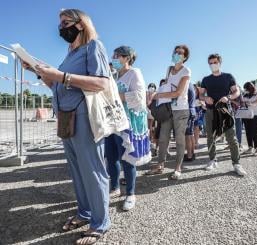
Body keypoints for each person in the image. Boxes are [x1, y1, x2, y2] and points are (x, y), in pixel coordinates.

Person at [22, 9, 112, 244]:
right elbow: (58, 86)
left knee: (92, 170)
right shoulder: (69, 53)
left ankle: (100, 223)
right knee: (77, 170)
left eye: (65, 23)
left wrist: (62, 76)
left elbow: (102, 82)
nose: (61, 28)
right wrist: (37, 71)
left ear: (80, 24)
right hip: (66, 116)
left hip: (84, 116)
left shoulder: (93, 47)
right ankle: (85, 212)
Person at [105, 46, 151, 211]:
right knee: (111, 157)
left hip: (127, 123)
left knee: (127, 159)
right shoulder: (115, 76)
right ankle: (115, 187)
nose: (113, 58)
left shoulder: (134, 73)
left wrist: (115, 96)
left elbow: (139, 97)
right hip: (112, 122)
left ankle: (130, 194)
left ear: (126, 58)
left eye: (117, 55)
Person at [146, 45, 191, 180]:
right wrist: (155, 93)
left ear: (185, 57)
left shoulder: (186, 71)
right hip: (167, 109)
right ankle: (160, 165)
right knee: (163, 138)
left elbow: (178, 92)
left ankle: (177, 168)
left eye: (180, 53)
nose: (177, 54)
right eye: (175, 52)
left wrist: (157, 96)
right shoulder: (169, 69)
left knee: (179, 140)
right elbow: (166, 85)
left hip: (181, 110)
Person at [199, 53, 246, 176]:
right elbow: (200, 95)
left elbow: (237, 91)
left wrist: (228, 97)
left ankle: (236, 163)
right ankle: (212, 160)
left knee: (231, 137)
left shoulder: (228, 77)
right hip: (210, 111)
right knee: (210, 137)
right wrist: (205, 98)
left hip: (226, 110)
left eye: (215, 62)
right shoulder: (206, 79)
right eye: (210, 63)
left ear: (220, 62)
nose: (213, 65)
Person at [242, 82, 257, 155]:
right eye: (245, 89)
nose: (245, 90)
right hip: (246, 115)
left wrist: (251, 103)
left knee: (254, 132)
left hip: (255, 115)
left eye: (246, 89)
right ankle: (250, 147)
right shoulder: (245, 94)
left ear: (251, 87)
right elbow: (242, 102)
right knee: (247, 132)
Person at [184, 82, 196, 161]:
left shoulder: (185, 85)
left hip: (187, 111)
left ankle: (189, 155)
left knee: (187, 135)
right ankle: (192, 153)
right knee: (191, 134)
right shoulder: (190, 84)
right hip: (192, 110)